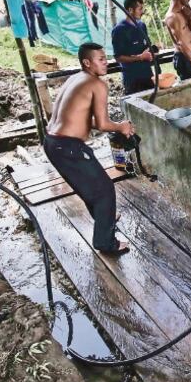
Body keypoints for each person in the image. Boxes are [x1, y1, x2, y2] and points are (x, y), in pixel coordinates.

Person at [43, 43, 135, 256]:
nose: (106, 62)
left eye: (105, 58)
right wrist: (121, 126)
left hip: (52, 142)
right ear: (87, 62)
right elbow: (102, 124)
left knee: (90, 187)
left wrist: (118, 126)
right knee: (104, 190)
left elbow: (79, 117)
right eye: (101, 59)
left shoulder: (75, 79)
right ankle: (106, 243)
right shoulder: (97, 84)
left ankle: (105, 218)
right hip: (68, 147)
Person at [111, 0, 156, 95]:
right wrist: (140, 57)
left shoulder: (142, 25)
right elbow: (118, 57)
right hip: (132, 78)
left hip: (147, 74)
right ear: (130, 10)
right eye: (140, 9)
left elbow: (146, 46)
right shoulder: (119, 30)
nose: (142, 11)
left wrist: (152, 51)